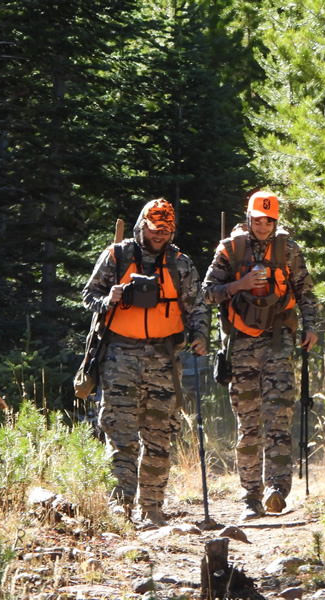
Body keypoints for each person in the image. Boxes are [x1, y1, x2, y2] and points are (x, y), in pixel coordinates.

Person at [82, 198, 209, 528]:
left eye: (166, 231)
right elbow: (88, 296)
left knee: (159, 435)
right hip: (119, 356)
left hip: (164, 358)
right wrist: (108, 298)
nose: (160, 236)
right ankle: (121, 510)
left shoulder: (180, 263)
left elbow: (197, 306)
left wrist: (200, 336)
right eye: (155, 230)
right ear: (142, 226)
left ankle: (151, 508)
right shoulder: (117, 255)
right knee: (121, 434)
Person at [203, 190, 319, 520]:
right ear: (249, 217)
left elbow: (306, 293)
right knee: (248, 422)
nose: (263, 225)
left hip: (279, 341)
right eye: (257, 219)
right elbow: (208, 293)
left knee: (279, 417)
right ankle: (249, 495)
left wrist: (310, 328)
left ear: (275, 220)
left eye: (269, 220)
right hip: (241, 344)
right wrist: (239, 285)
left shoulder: (288, 250)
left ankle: (277, 491)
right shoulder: (230, 249)